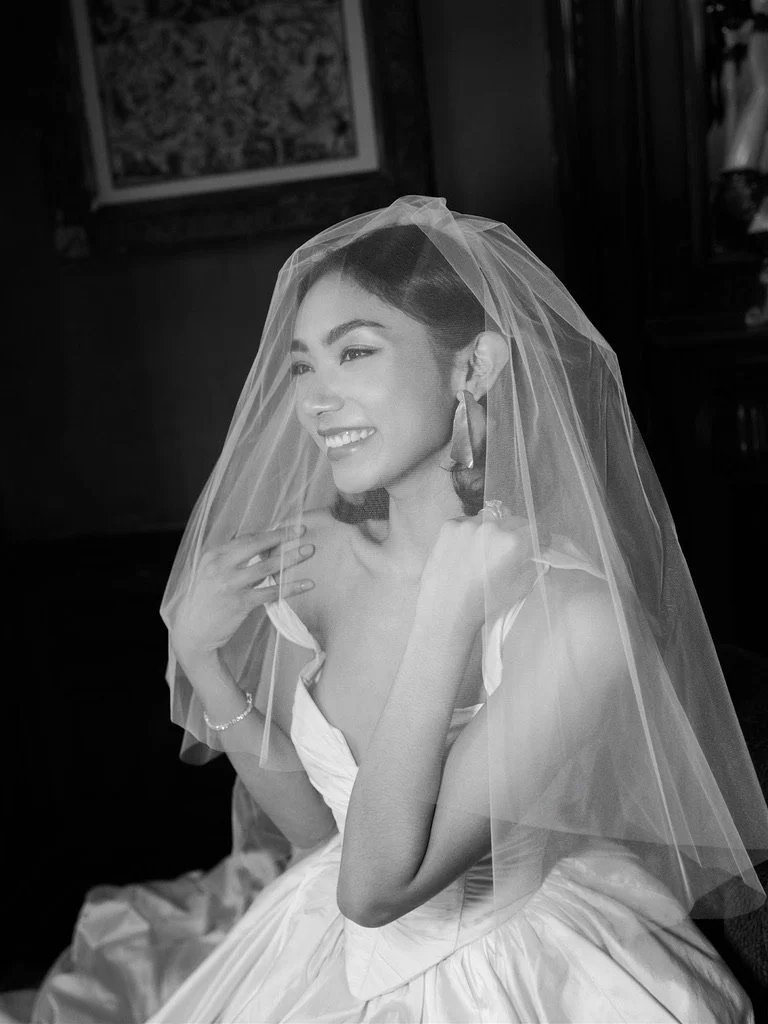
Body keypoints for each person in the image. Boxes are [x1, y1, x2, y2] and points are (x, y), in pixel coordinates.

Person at [39, 197, 768, 1022]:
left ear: (474, 367)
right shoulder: (306, 559)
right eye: (303, 365)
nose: (315, 400)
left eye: (355, 351)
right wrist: (201, 656)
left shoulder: (575, 620)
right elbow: (320, 837)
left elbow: (377, 889)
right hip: (318, 952)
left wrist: (448, 614)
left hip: (515, 973)